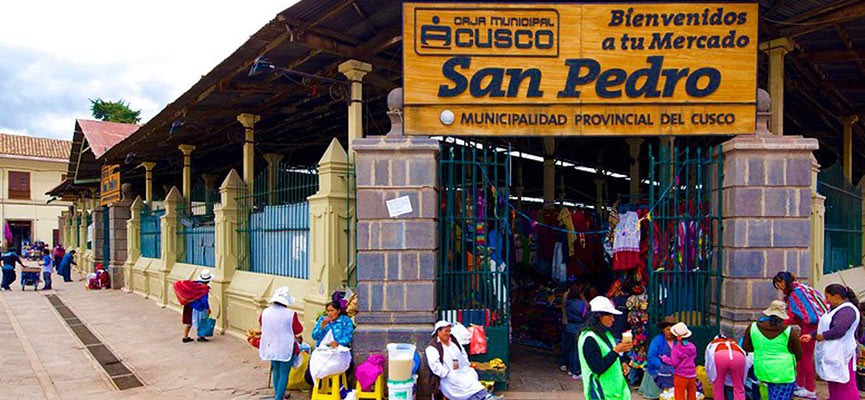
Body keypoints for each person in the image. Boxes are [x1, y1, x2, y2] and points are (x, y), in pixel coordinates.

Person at [772, 271, 827, 399]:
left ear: (784, 281)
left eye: (779, 283)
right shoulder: (801, 288)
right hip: (810, 326)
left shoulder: (795, 294)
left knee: (805, 357)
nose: (779, 287)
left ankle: (809, 389)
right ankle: (801, 384)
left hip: (810, 327)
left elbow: (793, 315)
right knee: (801, 356)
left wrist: (778, 323)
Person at [801, 284, 861, 400]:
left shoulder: (847, 311)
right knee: (834, 382)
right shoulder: (833, 309)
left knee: (845, 383)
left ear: (836, 296)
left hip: (843, 353)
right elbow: (825, 326)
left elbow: (839, 330)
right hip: (833, 352)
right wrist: (811, 335)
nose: (826, 300)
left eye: (827, 297)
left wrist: (821, 336)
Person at [426, 321, 501, 400]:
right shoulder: (432, 347)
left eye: (449, 331)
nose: (448, 333)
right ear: (438, 332)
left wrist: (466, 365)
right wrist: (447, 374)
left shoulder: (453, 340)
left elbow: (463, 353)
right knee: (461, 386)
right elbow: (435, 365)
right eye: (446, 331)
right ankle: (484, 397)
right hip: (447, 377)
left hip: (462, 371)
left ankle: (486, 396)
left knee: (471, 378)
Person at [742, 300, 801, 400]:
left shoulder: (753, 327)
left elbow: (747, 347)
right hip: (784, 373)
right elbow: (798, 354)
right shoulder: (789, 331)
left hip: (763, 370)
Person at [577, 295, 633, 400]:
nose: (613, 319)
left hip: (615, 392)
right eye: (609, 316)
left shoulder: (606, 334)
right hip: (600, 393)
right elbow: (597, 367)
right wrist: (616, 351)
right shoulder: (589, 338)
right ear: (598, 316)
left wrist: (622, 362)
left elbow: (607, 353)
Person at [259, 287, 303, 400]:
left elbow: (261, 323)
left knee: (276, 371)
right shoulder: (291, 314)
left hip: (271, 345)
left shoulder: (265, 312)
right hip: (286, 347)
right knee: (284, 373)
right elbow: (298, 329)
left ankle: (278, 394)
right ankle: (279, 397)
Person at [173, 270, 212, 343]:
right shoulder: (204, 289)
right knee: (201, 321)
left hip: (189, 305)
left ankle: (185, 337)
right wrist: (207, 308)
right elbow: (204, 300)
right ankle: (200, 336)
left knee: (189, 322)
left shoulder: (194, 284)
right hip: (198, 307)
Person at [705, 334, 747, 400]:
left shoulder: (712, 344)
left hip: (719, 356)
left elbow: (708, 363)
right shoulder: (734, 343)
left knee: (718, 387)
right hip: (738, 356)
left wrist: (711, 378)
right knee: (738, 387)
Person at [660, 323, 697, 400]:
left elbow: (674, 363)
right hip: (692, 374)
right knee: (692, 395)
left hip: (681, 375)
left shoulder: (676, 350)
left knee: (679, 395)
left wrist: (664, 358)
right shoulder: (692, 347)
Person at [560, 282, 588, 379]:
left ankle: (566, 365)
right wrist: (583, 298)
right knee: (576, 350)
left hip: (569, 326)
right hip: (578, 327)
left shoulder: (568, 303)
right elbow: (587, 312)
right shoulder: (580, 304)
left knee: (569, 347)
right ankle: (575, 370)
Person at [645, 316, 677, 393]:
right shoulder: (657, 340)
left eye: (672, 330)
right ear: (663, 330)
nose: (670, 332)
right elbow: (651, 356)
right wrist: (660, 365)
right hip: (658, 368)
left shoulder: (678, 341)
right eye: (668, 330)